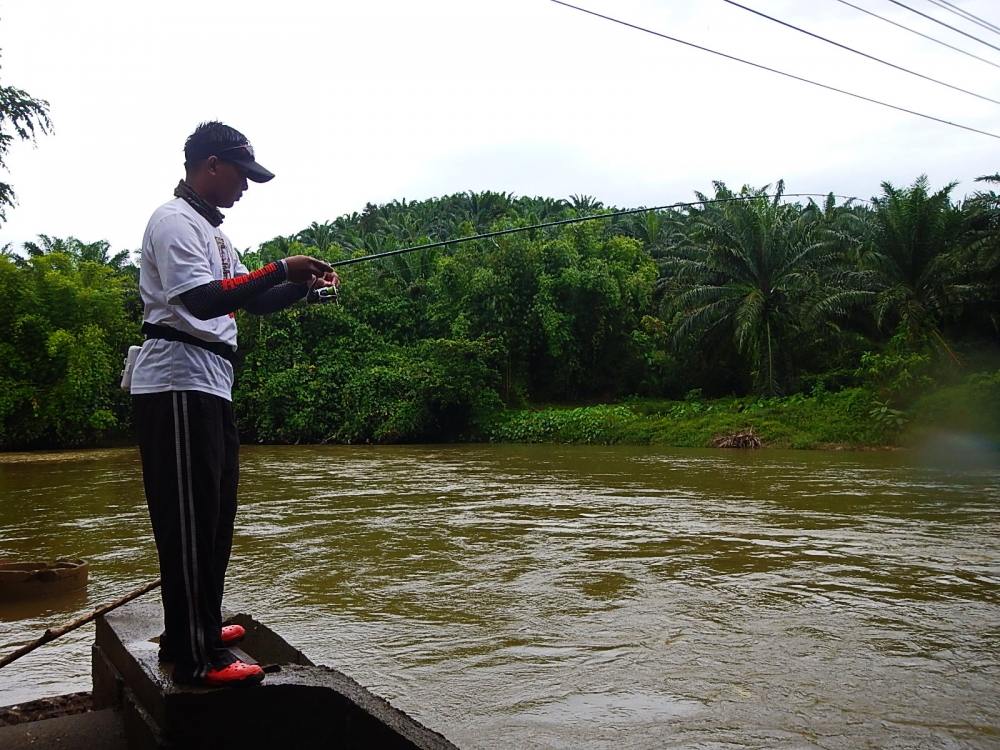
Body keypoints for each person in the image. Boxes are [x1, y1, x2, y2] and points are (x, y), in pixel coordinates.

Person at [130, 121, 337, 687]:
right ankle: (195, 658)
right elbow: (198, 301)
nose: (246, 186)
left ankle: (195, 626)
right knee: (189, 521)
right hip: (174, 382)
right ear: (212, 165)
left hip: (210, 382)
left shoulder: (216, 236)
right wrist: (281, 266)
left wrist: (303, 286)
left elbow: (255, 298)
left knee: (216, 516)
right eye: (242, 175)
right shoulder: (173, 222)